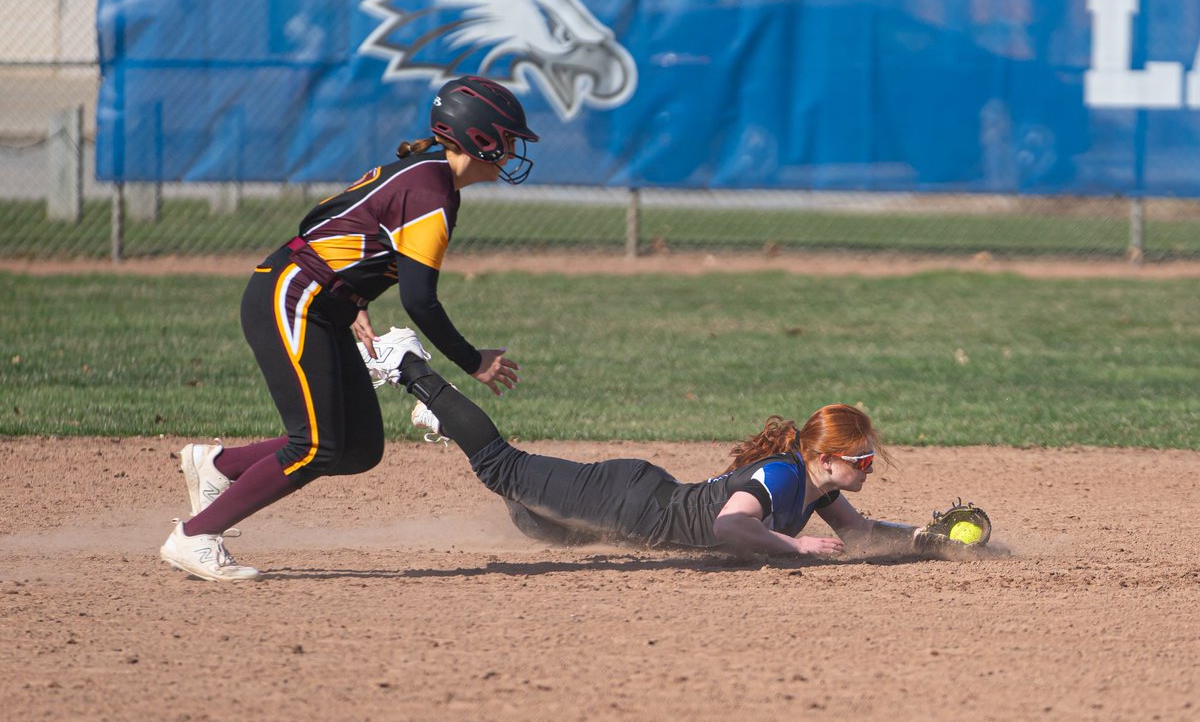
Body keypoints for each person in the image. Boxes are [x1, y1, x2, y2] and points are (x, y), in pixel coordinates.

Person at [160, 76, 538, 581]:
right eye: (508, 139)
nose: (512, 150)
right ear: (480, 138)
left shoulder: (425, 176)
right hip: (294, 300)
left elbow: (330, 222)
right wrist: (473, 360)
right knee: (315, 445)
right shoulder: (431, 192)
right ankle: (196, 536)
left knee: (358, 447)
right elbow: (419, 301)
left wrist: (352, 296)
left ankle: (219, 467)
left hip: (318, 301)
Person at [395, 331, 923, 556]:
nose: (870, 467)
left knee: (533, 523)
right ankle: (409, 364)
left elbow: (861, 533)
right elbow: (730, 525)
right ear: (826, 459)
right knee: (502, 469)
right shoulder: (783, 475)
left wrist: (929, 539)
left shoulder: (820, 488)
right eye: (863, 459)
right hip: (627, 500)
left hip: (634, 518)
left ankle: (448, 422)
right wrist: (796, 545)